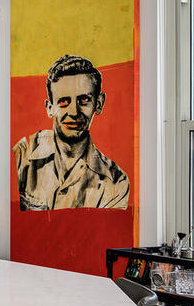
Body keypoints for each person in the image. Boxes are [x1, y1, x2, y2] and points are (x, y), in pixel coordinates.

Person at [13, 54, 129, 210]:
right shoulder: (22, 157)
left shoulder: (116, 182)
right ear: (50, 108)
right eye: (63, 101)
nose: (74, 112)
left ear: (99, 103)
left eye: (84, 100)